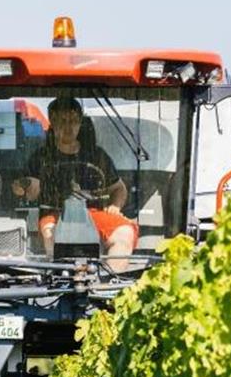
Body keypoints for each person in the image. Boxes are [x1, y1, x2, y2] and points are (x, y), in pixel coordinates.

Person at [11, 97, 137, 262]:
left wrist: (115, 206)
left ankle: (108, 283)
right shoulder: (40, 157)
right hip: (55, 214)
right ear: (52, 122)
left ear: (80, 123)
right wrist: (22, 185)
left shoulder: (97, 155)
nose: (68, 127)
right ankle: (58, 281)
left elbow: (119, 188)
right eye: (62, 121)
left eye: (73, 121)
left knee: (124, 234)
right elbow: (26, 188)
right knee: (52, 238)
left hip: (94, 213)